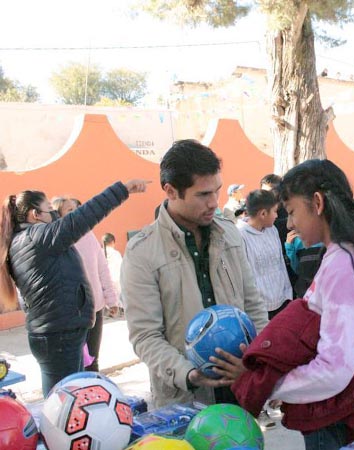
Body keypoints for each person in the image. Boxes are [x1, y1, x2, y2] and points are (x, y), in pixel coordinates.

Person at [252, 159, 354, 449]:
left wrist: (269, 384)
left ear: (316, 202)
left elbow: (334, 367)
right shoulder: (344, 254)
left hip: (333, 414)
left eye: (292, 212)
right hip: (336, 406)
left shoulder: (345, 262)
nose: (290, 223)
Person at [121, 139, 268, 408]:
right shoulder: (142, 252)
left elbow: (253, 305)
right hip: (185, 399)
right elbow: (145, 336)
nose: (214, 202)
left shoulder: (229, 233)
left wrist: (260, 364)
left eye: (217, 191)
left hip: (242, 387)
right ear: (171, 191)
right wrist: (188, 374)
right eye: (203, 195)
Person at [0, 179, 148, 395]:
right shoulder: (37, 237)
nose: (55, 215)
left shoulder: (27, 239)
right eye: (49, 210)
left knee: (68, 398)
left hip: (57, 333)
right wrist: (122, 190)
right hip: (58, 335)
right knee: (62, 402)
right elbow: (82, 218)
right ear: (35, 215)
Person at [51, 196, 120, 372]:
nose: (76, 214)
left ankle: (95, 396)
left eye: (76, 209)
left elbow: (102, 269)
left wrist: (111, 300)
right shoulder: (56, 240)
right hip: (70, 313)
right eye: (69, 210)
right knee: (74, 363)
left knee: (93, 361)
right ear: (58, 214)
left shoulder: (88, 235)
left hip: (94, 308)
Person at [238, 189, 292, 320]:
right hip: (259, 310)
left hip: (281, 302)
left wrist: (288, 294)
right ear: (263, 213)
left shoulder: (272, 230)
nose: (277, 216)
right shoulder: (240, 235)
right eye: (274, 211)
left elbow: (280, 264)